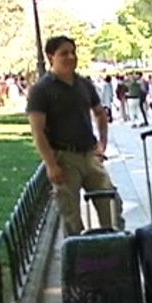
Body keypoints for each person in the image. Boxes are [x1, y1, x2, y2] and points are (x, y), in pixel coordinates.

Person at [26, 36, 124, 236]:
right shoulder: (41, 90)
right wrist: (51, 164)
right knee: (71, 218)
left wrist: (102, 144)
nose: (71, 57)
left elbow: (99, 113)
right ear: (51, 57)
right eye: (64, 53)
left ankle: (117, 252)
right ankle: (80, 262)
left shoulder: (84, 84)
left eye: (73, 52)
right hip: (64, 160)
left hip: (90, 155)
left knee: (112, 206)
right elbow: (37, 131)